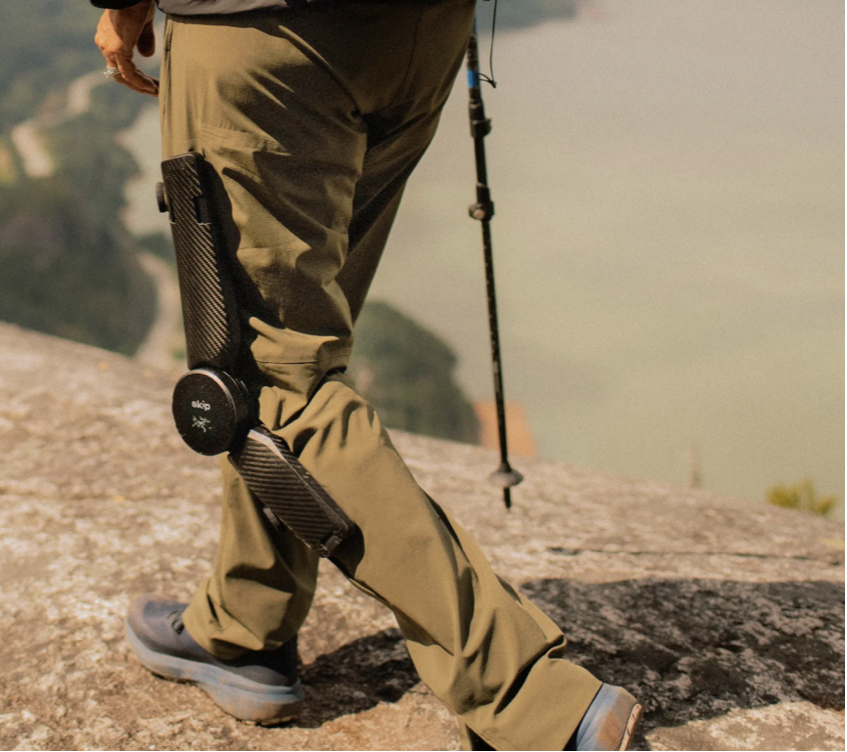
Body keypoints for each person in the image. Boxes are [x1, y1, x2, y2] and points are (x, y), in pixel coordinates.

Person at [92, 0, 641, 748]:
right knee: (293, 346)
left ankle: (534, 701)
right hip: (420, 33)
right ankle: (247, 619)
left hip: (261, 33)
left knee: (271, 376)